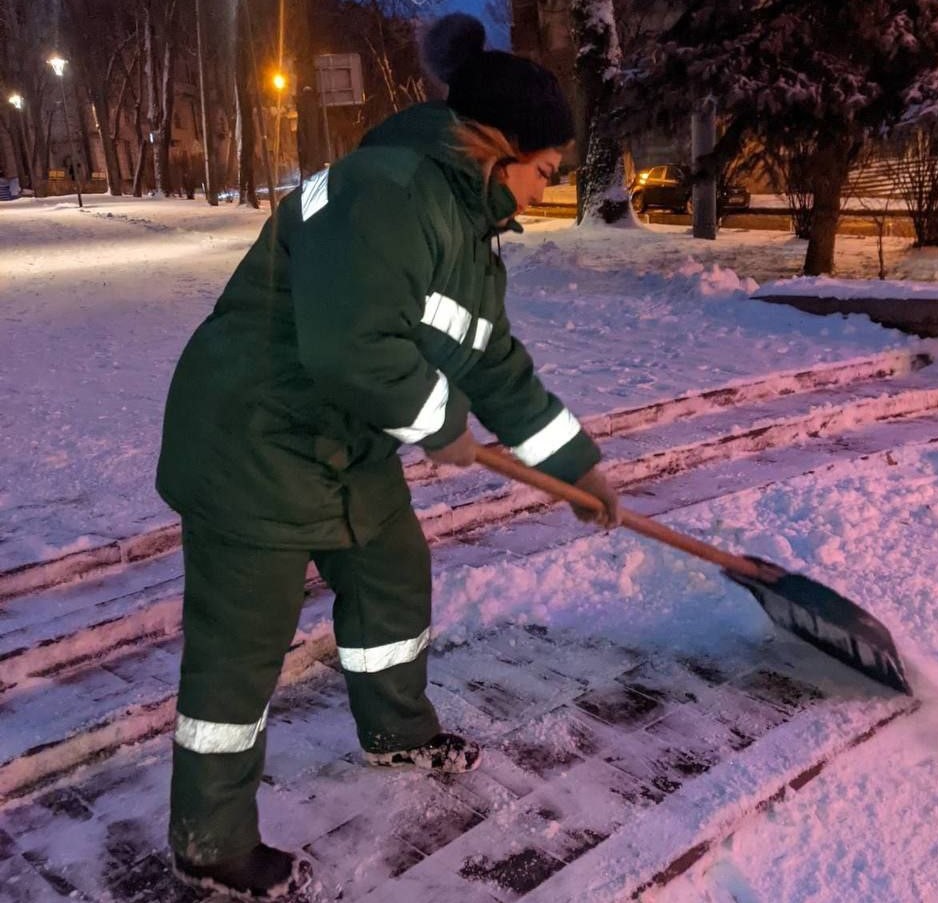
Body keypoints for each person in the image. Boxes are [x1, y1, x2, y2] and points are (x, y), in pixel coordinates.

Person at [156, 12, 620, 901]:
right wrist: (438, 422)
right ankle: (209, 839)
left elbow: (493, 363)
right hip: (254, 434)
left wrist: (576, 468)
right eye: (545, 174)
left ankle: (396, 727)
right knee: (240, 648)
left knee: (392, 570)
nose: (543, 193)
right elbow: (352, 346)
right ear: (500, 146)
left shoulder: (467, 226)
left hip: (345, 437)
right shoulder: (390, 189)